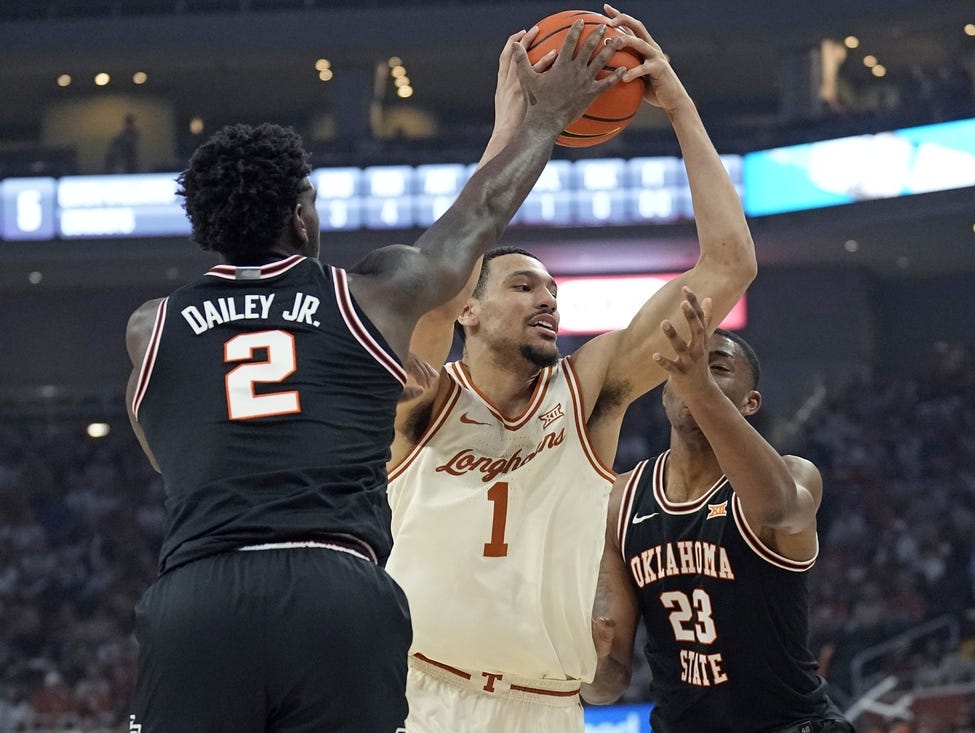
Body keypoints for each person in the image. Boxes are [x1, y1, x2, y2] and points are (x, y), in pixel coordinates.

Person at [122, 22, 625, 733]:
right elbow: (475, 221)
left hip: (200, 594)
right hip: (334, 589)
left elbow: (174, 459)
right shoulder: (368, 296)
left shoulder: (149, 329)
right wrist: (542, 118)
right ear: (300, 219)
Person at [385, 6, 758, 732]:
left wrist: (678, 105)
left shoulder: (588, 391)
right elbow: (442, 269)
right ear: (471, 311)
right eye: (523, 286)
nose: (547, 301)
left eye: (554, 291)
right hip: (422, 696)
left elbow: (729, 265)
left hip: (547, 707)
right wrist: (514, 132)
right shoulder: (419, 393)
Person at [583, 288, 854, 733]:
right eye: (685, 367)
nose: (696, 373)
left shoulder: (794, 475)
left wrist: (700, 388)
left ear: (750, 402)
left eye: (718, 367)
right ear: (664, 392)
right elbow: (607, 682)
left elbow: (776, 509)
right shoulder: (620, 500)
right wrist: (582, 657)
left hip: (788, 724)